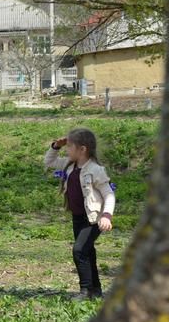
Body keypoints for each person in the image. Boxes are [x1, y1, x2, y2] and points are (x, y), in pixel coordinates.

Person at [45, 127, 116, 300]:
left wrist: (106, 215)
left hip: (93, 219)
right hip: (78, 218)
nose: (67, 150)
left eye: (70, 146)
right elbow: (49, 162)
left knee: (79, 251)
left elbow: (109, 194)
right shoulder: (70, 166)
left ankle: (85, 291)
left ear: (82, 149)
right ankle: (96, 290)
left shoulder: (96, 170)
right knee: (87, 252)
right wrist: (55, 146)